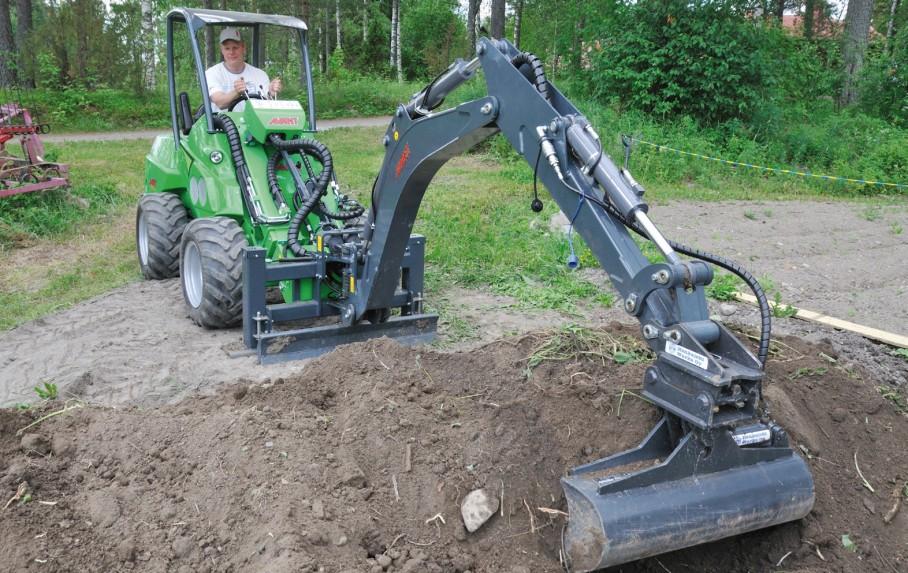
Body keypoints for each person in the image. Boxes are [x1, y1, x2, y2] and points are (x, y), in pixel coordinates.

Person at [205, 27, 282, 112]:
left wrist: (270, 94)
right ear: (222, 50)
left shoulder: (260, 75)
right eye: (227, 48)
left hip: (254, 123)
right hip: (223, 124)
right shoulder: (212, 73)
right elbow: (220, 103)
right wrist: (236, 92)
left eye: (235, 47)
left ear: (243, 47)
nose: (231, 52)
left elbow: (268, 110)